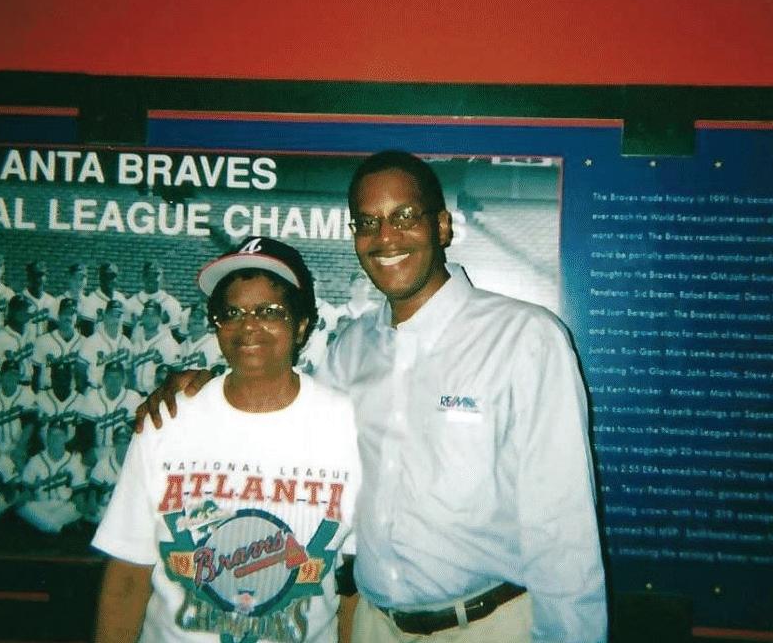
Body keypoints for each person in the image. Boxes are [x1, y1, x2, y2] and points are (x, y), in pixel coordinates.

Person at [138, 151, 607, 643]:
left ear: (442, 226)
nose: (385, 237)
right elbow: (287, 416)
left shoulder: (524, 337)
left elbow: (564, 526)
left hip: (489, 625)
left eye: (404, 216)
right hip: (374, 625)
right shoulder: (351, 348)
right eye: (367, 222)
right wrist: (205, 385)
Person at [93, 236, 361, 643]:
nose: (248, 325)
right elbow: (128, 574)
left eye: (269, 311)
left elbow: (354, 585)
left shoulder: (348, 428)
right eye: (231, 313)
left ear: (302, 324)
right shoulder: (169, 419)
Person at [17, 418, 87, 534]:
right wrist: (25, 497)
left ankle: (46, 525)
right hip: (40, 505)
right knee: (24, 507)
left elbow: (78, 495)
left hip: (64, 505)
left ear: (66, 437)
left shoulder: (74, 462)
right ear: (47, 437)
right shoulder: (35, 460)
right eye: (52, 434)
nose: (55, 438)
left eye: (60, 435)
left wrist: (80, 507)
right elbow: (26, 491)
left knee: (75, 508)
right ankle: (58, 526)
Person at [22, 260, 59, 342]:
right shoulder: (20, 299)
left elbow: (55, 330)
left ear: (45, 278)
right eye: (34, 275)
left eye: (40, 275)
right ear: (28, 277)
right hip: (25, 345)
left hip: (44, 346)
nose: (37, 279)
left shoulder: (52, 301)